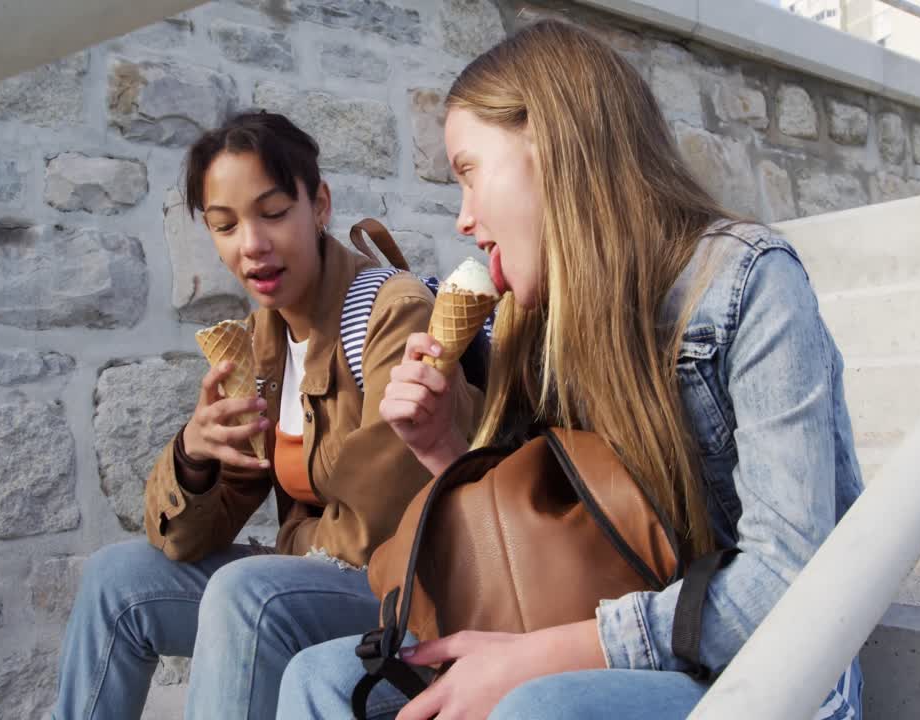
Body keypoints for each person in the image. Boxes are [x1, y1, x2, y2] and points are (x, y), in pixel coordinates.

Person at [276, 20, 865, 720]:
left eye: (468, 172)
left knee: (537, 706)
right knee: (319, 678)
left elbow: (787, 583)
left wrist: (538, 656)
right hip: (582, 639)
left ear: (551, 147)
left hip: (758, 675)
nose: (463, 219)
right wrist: (442, 450)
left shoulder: (746, 283)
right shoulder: (535, 321)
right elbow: (539, 546)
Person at [50, 111, 480, 719]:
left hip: (405, 591)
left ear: (319, 204)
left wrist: (290, 550)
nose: (251, 245)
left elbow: (387, 509)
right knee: (115, 580)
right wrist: (194, 458)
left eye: (273, 213)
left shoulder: (394, 310)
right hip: (311, 576)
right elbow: (191, 538)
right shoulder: (260, 345)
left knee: (246, 591)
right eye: (224, 226)